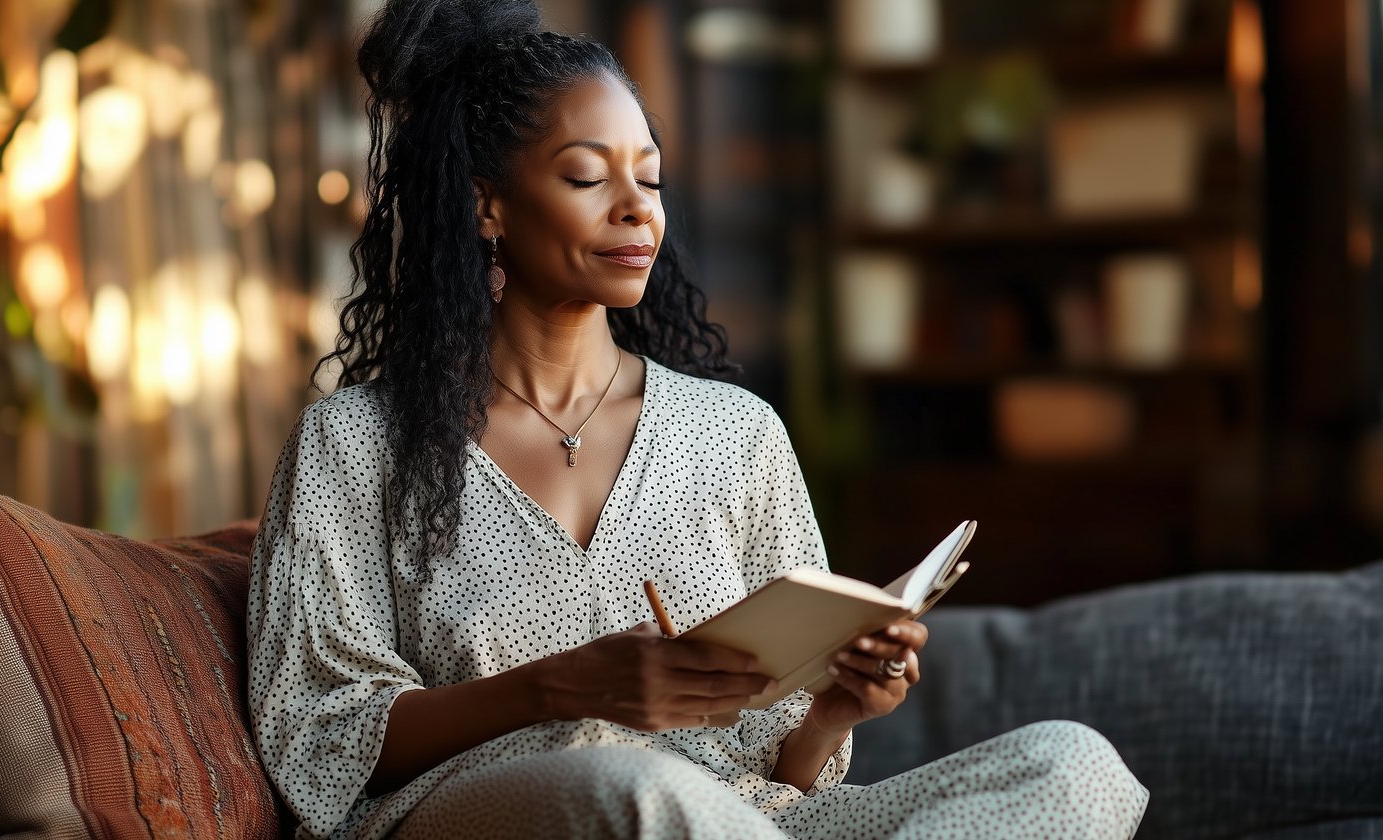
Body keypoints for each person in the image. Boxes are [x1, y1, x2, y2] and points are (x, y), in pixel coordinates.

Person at [245, 1, 1150, 837]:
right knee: (634, 788)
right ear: (487, 203)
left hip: (735, 820)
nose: (639, 208)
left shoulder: (735, 432)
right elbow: (319, 732)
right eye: (586, 177)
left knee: (1074, 767)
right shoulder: (354, 444)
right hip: (500, 805)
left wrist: (834, 706)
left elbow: (791, 776)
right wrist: (560, 689)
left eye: (651, 178)